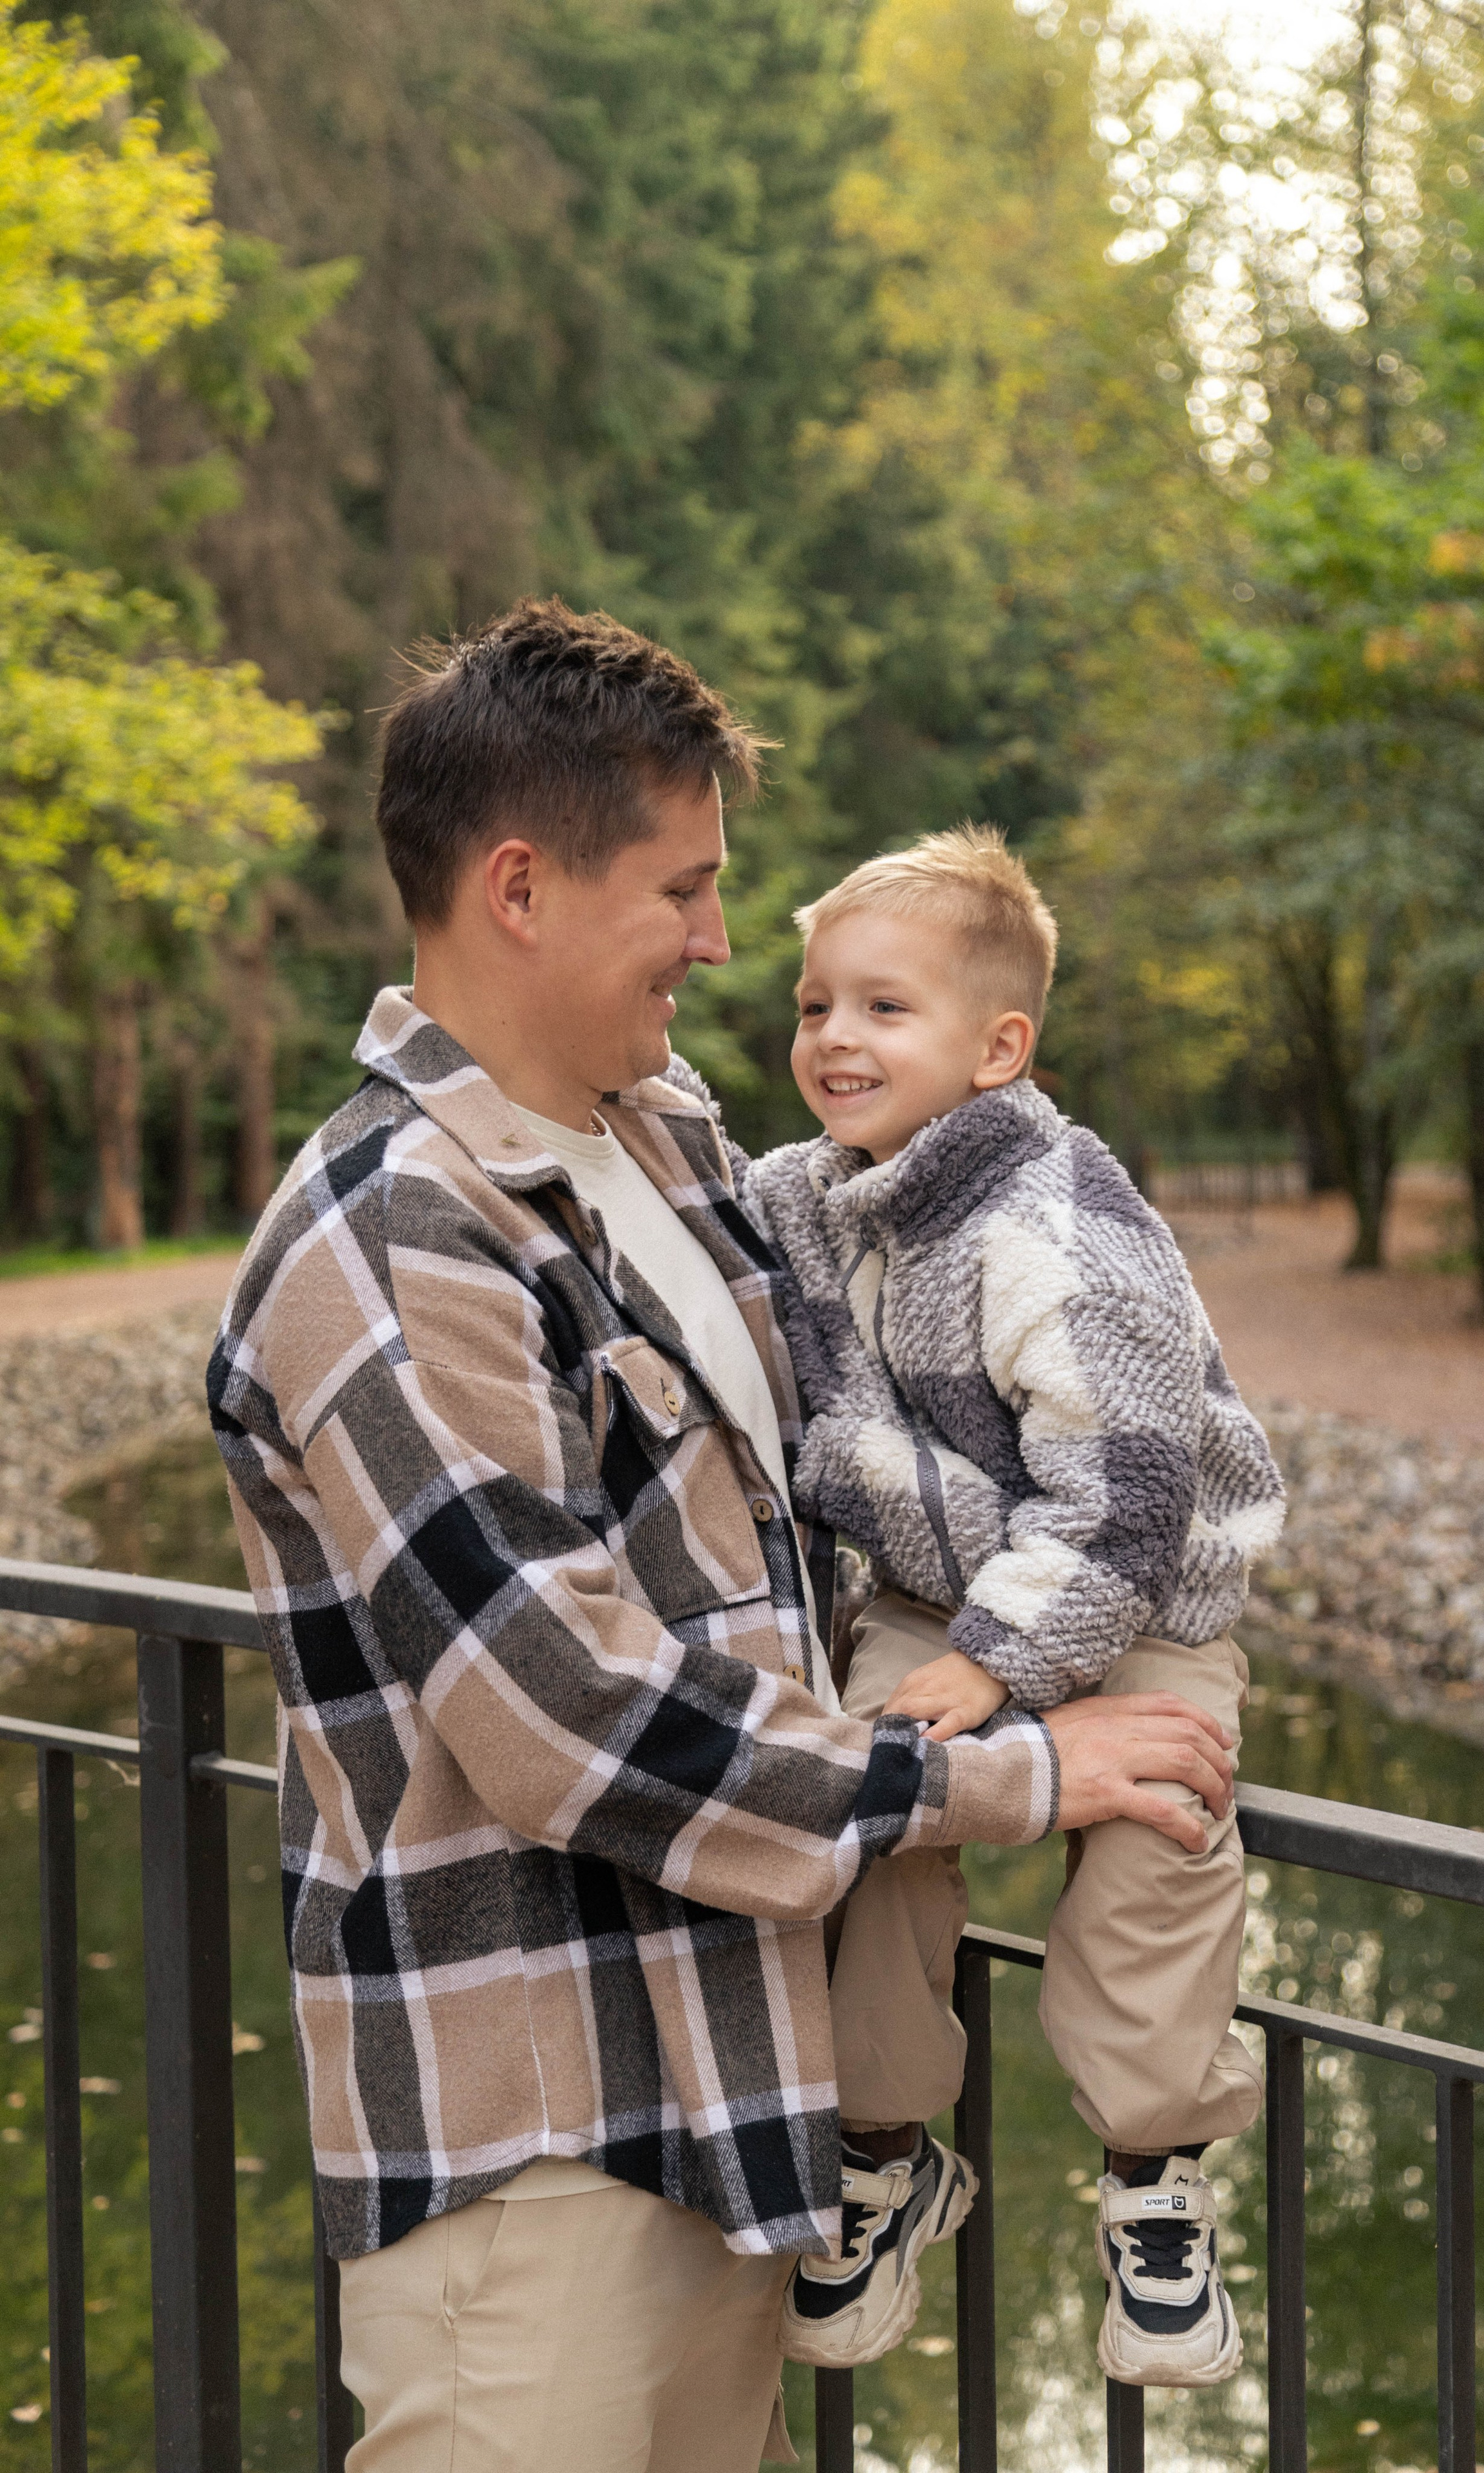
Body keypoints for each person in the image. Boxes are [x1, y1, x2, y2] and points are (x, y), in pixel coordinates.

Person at [206, 601, 1239, 2473]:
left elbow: (863, 1459)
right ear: (520, 886)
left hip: (737, 2108)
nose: (717, 939)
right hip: (542, 2170)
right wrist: (1016, 1767)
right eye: (683, 890)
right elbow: (580, 1725)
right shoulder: (391, 1243)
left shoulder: (669, 1142)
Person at [740, 825, 1286, 2390]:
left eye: (881, 1009)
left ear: (999, 1050)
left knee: (1159, 1826)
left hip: (1134, 1592)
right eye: (813, 1004)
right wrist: (956, 1675)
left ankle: (1153, 2173)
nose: (834, 1038)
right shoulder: (811, 1197)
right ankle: (884, 2145)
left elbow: (1124, 1495)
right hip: (940, 1591)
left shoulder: (1056, 1221)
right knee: (877, 1784)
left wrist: (999, 1665)